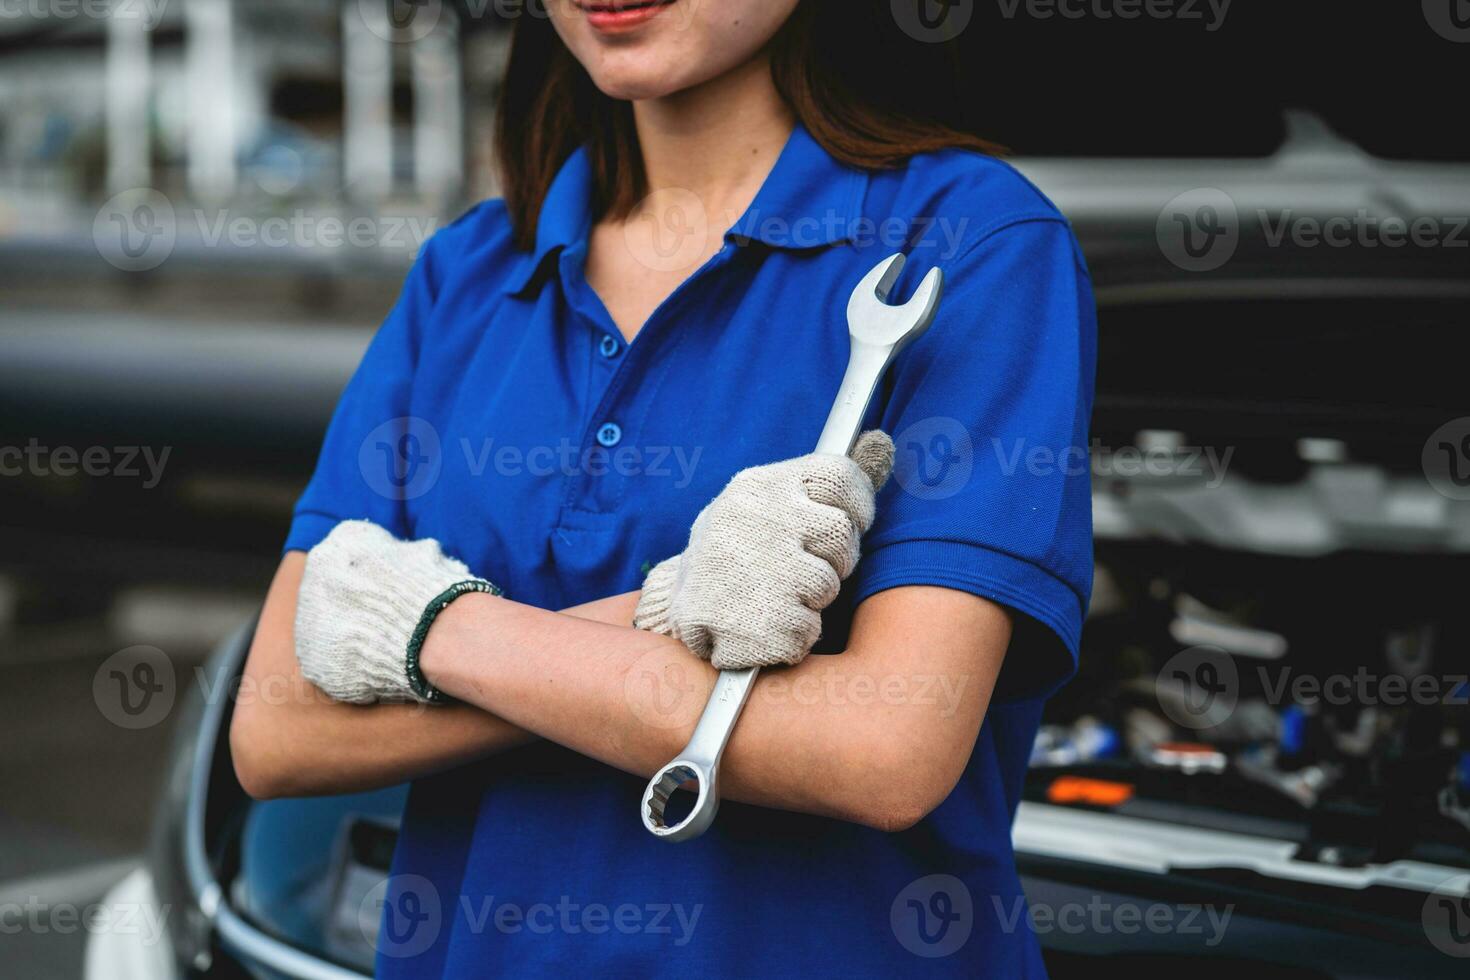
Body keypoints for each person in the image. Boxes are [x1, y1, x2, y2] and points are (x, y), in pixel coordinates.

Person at [230, 1, 1096, 974]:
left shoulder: (978, 241)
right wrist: (667, 611)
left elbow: (886, 745)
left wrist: (426, 630)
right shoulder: (465, 274)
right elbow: (277, 725)